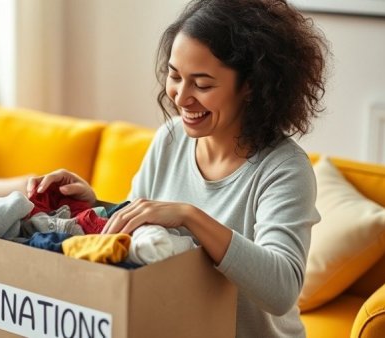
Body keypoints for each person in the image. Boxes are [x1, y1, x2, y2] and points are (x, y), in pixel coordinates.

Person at [27, 0, 328, 336]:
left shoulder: (284, 169)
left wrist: (190, 216)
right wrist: (91, 206)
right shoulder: (171, 138)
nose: (181, 97)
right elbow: (136, 239)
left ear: (250, 86)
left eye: (202, 84)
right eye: (174, 76)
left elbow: (281, 289)